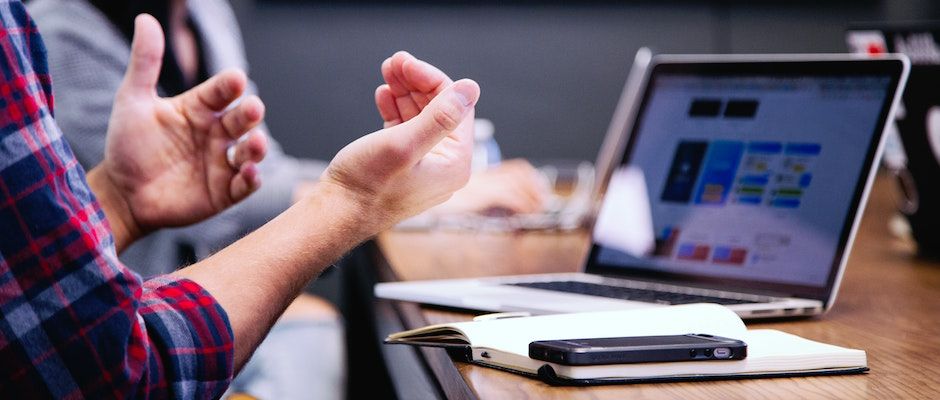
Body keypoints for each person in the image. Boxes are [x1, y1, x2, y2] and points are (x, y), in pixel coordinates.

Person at [0, 2, 481, 398]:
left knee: (314, 335)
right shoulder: (55, 28)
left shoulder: (206, 13)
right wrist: (358, 198)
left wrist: (120, 201)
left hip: (172, 307)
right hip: (146, 324)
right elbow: (112, 371)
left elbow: (257, 172)